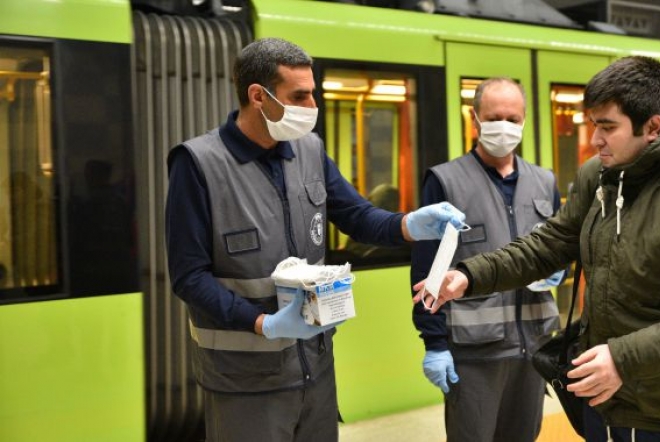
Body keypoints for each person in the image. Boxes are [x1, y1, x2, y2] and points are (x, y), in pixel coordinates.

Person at [415, 56, 660, 442]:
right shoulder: (599, 176)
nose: (595, 140)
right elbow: (547, 244)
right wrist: (469, 275)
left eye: (607, 127)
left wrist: (621, 359)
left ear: (653, 127)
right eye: (593, 125)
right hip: (608, 407)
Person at [165, 37, 464, 442]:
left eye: (313, 94)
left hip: (315, 369)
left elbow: (357, 217)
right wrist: (263, 324)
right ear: (258, 96)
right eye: (299, 95)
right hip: (244, 382)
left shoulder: (309, 150)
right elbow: (188, 276)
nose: (311, 107)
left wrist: (409, 224)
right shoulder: (199, 164)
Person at [411, 77, 565, 442]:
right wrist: (433, 343)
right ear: (475, 118)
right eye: (494, 117)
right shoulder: (445, 182)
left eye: (513, 118)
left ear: (525, 120)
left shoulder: (545, 182)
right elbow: (425, 273)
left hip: (534, 348)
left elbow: (562, 249)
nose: (504, 126)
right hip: (475, 352)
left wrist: (559, 269)